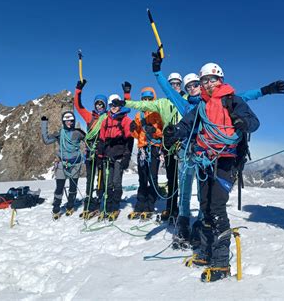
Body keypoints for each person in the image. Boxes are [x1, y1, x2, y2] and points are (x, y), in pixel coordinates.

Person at [152, 50, 284, 248]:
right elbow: (169, 92)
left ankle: (200, 227)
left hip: (211, 153)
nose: (193, 88)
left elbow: (246, 97)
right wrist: (157, 72)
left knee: (204, 193)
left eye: (196, 84)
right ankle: (183, 224)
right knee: (186, 187)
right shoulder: (186, 104)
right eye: (189, 86)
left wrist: (266, 90)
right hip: (191, 151)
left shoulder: (223, 100)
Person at [164, 62, 260, 282]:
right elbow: (187, 126)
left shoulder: (233, 100)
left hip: (226, 162)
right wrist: (174, 132)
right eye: (204, 80)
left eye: (211, 79)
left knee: (216, 208)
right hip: (206, 161)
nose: (208, 84)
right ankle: (206, 253)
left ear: (220, 80)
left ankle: (221, 262)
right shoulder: (201, 107)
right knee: (206, 207)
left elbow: (254, 122)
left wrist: (242, 122)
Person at [127, 86, 164, 220]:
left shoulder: (158, 113)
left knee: (152, 177)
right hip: (143, 149)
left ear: (153, 99)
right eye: (144, 99)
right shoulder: (139, 114)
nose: (147, 101)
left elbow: (163, 130)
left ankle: (150, 204)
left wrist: (154, 132)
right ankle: (140, 204)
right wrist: (133, 130)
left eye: (149, 99)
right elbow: (138, 135)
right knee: (142, 178)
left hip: (154, 147)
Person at [41, 111, 85, 220]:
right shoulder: (60, 133)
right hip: (62, 163)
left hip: (76, 163)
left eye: (71, 120)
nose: (69, 122)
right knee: (59, 187)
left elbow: (89, 141)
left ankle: (70, 206)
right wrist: (44, 123)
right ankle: (56, 209)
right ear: (63, 122)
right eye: (67, 121)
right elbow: (46, 140)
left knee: (73, 188)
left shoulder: (78, 133)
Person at [74, 79, 107, 219]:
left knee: (102, 179)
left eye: (101, 104)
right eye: (97, 103)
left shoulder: (107, 118)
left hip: (103, 153)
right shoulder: (89, 117)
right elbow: (78, 106)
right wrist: (78, 90)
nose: (99, 106)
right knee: (90, 179)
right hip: (90, 153)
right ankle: (88, 203)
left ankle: (101, 202)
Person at [97, 94, 134, 221]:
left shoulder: (125, 120)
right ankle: (107, 207)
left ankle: (115, 207)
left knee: (117, 182)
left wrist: (126, 157)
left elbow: (130, 140)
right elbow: (102, 140)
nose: (113, 107)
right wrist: (100, 156)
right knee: (108, 183)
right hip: (108, 156)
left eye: (116, 105)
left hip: (119, 156)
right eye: (111, 105)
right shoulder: (105, 121)